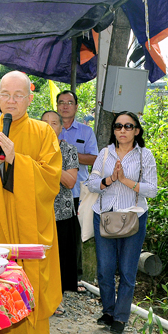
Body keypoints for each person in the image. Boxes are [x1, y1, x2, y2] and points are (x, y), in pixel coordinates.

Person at [0, 71, 62, 334]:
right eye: (5, 94)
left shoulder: (43, 132)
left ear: (30, 98)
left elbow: (51, 179)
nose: (11, 100)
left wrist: (18, 160)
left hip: (28, 227)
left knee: (29, 297)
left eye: (18, 95)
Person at [86, 111, 157, 334]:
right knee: (105, 269)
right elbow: (91, 183)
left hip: (133, 216)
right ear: (114, 130)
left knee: (127, 271)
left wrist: (125, 180)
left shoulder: (145, 155)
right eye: (118, 126)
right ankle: (108, 311)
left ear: (137, 131)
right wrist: (110, 180)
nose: (122, 130)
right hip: (105, 215)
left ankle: (120, 317)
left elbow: (152, 190)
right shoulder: (105, 153)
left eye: (128, 126)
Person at [56, 89, 98, 288]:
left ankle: (73, 279)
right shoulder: (47, 128)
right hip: (50, 192)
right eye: (61, 102)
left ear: (76, 107)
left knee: (74, 237)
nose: (65, 106)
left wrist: (69, 153)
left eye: (69, 103)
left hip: (76, 191)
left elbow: (94, 158)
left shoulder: (85, 131)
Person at [41, 110, 79, 307]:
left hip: (62, 213)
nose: (49, 126)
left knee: (61, 258)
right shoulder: (32, 149)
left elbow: (71, 182)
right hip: (38, 211)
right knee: (41, 257)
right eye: (45, 122)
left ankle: (57, 300)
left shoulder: (69, 150)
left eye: (54, 123)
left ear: (61, 127)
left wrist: (50, 167)